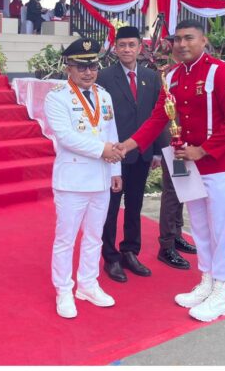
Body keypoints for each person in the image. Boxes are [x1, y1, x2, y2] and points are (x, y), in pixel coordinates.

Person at [116, 19, 225, 322]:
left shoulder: (220, 70)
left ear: (204, 41)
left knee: (222, 227)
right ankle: (206, 280)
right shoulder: (171, 76)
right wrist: (129, 145)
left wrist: (203, 150)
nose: (182, 45)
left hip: (221, 162)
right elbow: (157, 118)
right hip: (186, 163)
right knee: (199, 225)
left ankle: (222, 291)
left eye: (189, 38)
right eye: (177, 39)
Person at [44, 37, 123, 319]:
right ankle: (64, 289)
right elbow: (66, 138)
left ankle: (88, 284)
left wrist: (115, 170)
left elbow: (111, 133)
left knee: (94, 236)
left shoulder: (104, 95)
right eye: (81, 67)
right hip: (72, 181)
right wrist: (104, 151)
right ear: (69, 68)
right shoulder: (56, 97)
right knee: (65, 239)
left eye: (93, 66)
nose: (88, 73)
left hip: (101, 178)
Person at [97, 26, 160, 283]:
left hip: (142, 154)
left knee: (134, 205)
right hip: (115, 154)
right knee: (111, 208)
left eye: (131, 45)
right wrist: (103, 150)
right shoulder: (103, 76)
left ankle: (130, 251)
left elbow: (159, 116)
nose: (126, 50)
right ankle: (110, 257)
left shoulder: (151, 77)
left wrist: (156, 150)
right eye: (122, 45)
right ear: (115, 48)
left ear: (139, 48)